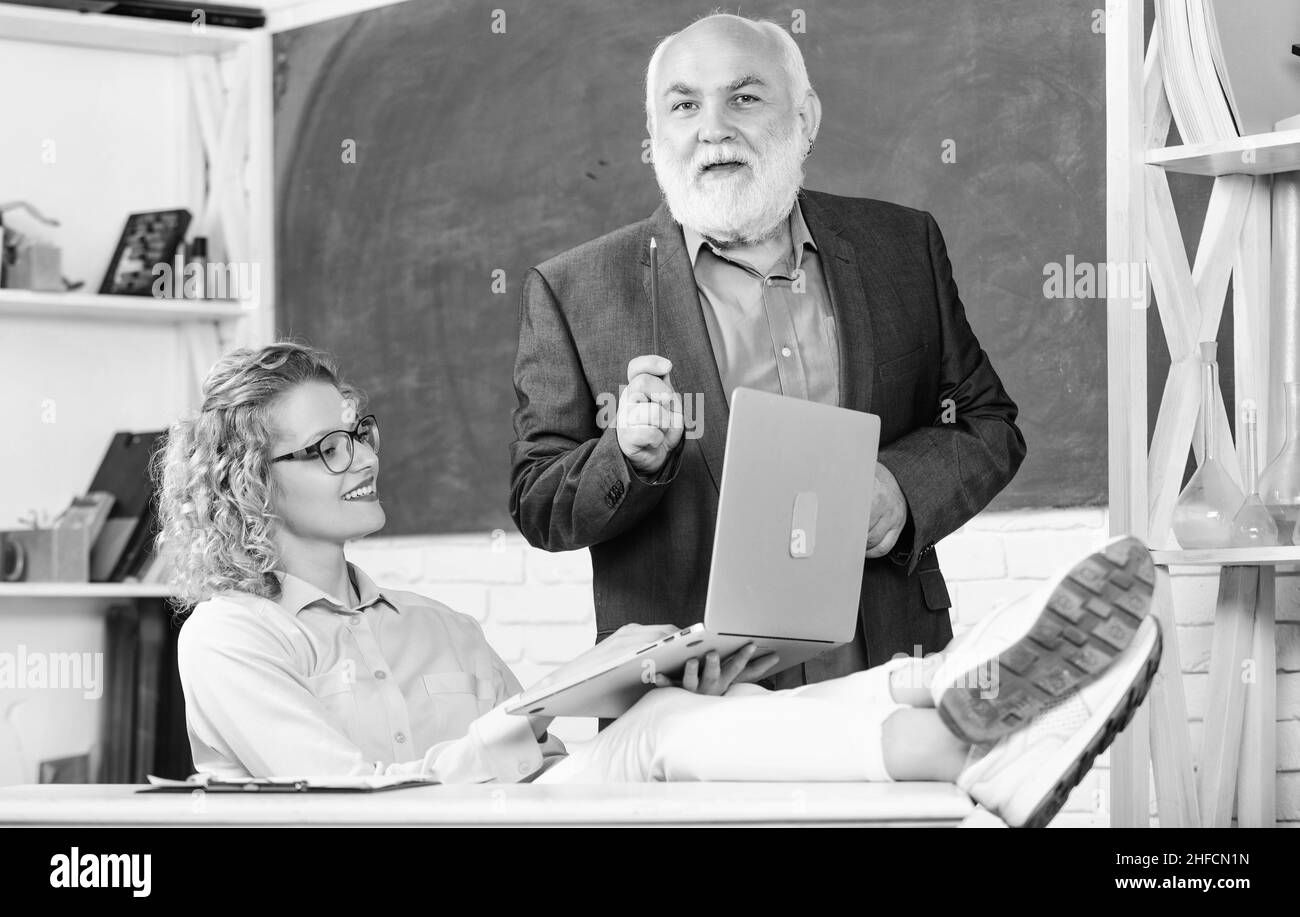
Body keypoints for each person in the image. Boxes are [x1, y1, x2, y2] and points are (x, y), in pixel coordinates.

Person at [162, 343, 1159, 828]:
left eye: (359, 431)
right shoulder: (229, 636)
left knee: (700, 700)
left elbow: (544, 751)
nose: (359, 458)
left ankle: (960, 698)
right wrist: (490, 744)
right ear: (248, 479)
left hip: (534, 814)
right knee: (662, 729)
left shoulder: (438, 622)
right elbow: (332, 810)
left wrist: (605, 682)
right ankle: (963, 726)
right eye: (323, 447)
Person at [510, 12, 1026, 689]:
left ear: (805, 119)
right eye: (685, 104)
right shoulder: (575, 289)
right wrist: (626, 457)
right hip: (691, 703)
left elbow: (986, 422)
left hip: (890, 675)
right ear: (656, 133)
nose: (713, 127)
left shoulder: (902, 248)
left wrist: (900, 489)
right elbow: (537, 500)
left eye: (745, 98)